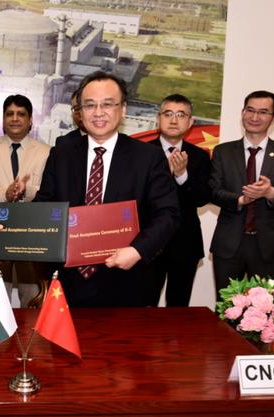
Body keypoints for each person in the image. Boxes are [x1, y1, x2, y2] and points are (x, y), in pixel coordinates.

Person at [34, 71, 180, 307]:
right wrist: (10, 231)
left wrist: (137, 250)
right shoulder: (61, 155)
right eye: (90, 105)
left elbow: (168, 214)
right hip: (69, 282)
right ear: (80, 111)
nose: (98, 112)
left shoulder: (148, 157)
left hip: (127, 280)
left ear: (123, 109)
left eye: (108, 104)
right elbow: (44, 206)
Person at [209, 90, 274, 293]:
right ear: (243, 112)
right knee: (226, 306)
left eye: (263, 112)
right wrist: (241, 199)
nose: (255, 117)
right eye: (250, 110)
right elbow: (213, 191)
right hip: (229, 244)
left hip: (268, 245)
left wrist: (270, 193)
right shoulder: (223, 151)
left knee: (266, 308)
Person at [0, 94, 50, 306]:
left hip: (31, 229)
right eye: (10, 114)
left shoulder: (45, 151)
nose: (15, 118)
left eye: (21, 114)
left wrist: (25, 191)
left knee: (32, 293)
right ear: (3, 119)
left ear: (30, 120)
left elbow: (47, 192)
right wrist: (6, 194)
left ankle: (32, 329)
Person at [147, 94, 211, 306]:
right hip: (148, 242)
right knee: (143, 307)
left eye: (181, 115)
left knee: (178, 308)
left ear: (190, 122)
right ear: (158, 118)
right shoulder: (141, 152)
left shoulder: (200, 156)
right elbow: (134, 197)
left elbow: (202, 198)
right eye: (168, 114)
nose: (173, 120)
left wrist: (182, 174)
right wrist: (167, 173)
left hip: (185, 243)